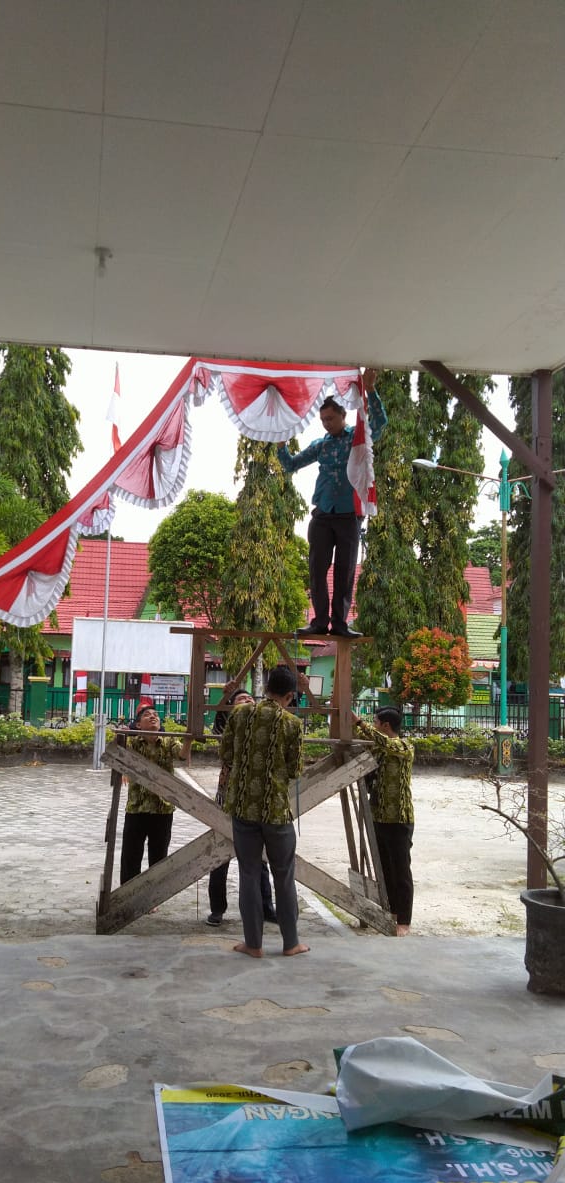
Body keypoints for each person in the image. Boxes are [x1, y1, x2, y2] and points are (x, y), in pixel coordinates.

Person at [277, 369, 387, 638]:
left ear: (343, 416)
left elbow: (381, 424)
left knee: (344, 572)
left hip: (349, 515)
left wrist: (370, 391)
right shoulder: (321, 445)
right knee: (317, 569)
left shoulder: (357, 438)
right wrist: (281, 445)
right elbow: (291, 465)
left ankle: (340, 624)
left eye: (331, 418)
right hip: (323, 515)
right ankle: (319, 622)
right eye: (323, 419)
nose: (327, 423)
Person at [220, 665, 309, 958]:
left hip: (243, 806)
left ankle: (253, 944)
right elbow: (295, 769)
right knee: (283, 875)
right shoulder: (292, 725)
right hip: (276, 811)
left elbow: (227, 756)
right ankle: (290, 942)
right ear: (289, 695)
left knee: (248, 873)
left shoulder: (240, 714)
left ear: (267, 686)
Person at [207, 683, 277, 927]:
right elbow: (221, 734)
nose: (247, 701)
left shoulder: (266, 728)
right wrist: (226, 697)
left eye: (250, 698)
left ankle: (266, 907)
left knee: (261, 858)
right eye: (240, 700)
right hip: (228, 797)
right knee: (219, 856)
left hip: (257, 798)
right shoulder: (227, 729)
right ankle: (217, 909)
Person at [353, 706, 415, 936]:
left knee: (401, 871)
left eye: (376, 722)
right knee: (386, 870)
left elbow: (383, 742)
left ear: (385, 726)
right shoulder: (378, 750)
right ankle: (391, 912)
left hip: (399, 818)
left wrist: (359, 722)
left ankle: (404, 921)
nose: (374, 725)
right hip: (379, 816)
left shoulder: (403, 747)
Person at [119, 705, 183, 884]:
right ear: (138, 725)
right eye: (147, 715)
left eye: (156, 715)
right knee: (131, 854)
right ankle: (127, 894)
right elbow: (118, 757)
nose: (153, 716)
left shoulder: (169, 742)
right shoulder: (132, 742)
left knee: (159, 855)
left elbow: (182, 755)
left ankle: (152, 896)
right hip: (136, 807)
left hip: (162, 808)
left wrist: (190, 739)